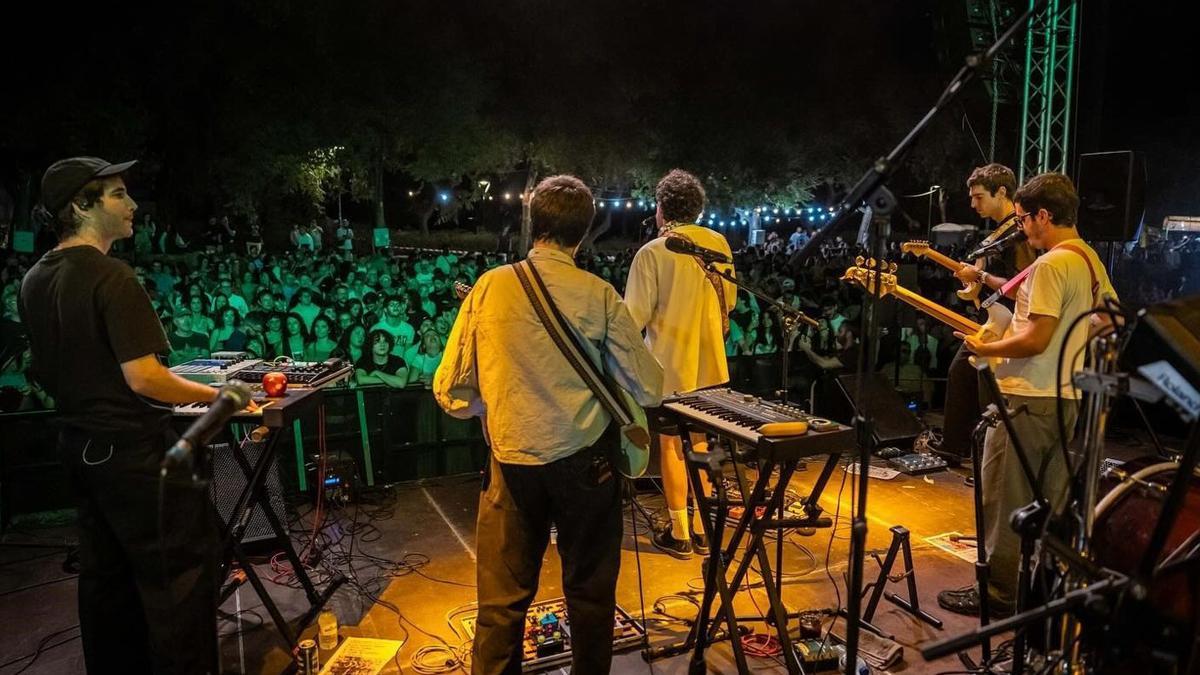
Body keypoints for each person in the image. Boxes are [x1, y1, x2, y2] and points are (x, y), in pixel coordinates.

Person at [18, 156, 252, 674]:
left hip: (78, 447)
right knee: (176, 580)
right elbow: (144, 378)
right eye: (119, 194)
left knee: (106, 580)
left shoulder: (34, 278)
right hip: (132, 453)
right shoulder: (112, 276)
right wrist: (220, 395)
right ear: (82, 205)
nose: (134, 205)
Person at [434, 175, 663, 675]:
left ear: (533, 223)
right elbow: (649, 388)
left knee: (501, 603)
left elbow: (449, 389)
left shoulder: (490, 287)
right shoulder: (599, 295)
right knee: (590, 593)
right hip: (586, 465)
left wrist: (496, 407)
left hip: (511, 463)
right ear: (583, 234)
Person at [939, 172, 1116, 617]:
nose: (1021, 228)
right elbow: (1111, 320)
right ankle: (1035, 591)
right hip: (1064, 397)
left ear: (1044, 215)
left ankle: (999, 595)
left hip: (1027, 397)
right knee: (1046, 501)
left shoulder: (1052, 264)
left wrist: (986, 348)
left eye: (1023, 220)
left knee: (1004, 498)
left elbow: (1036, 338)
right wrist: (1071, 350)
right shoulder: (1088, 258)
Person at [624, 168, 735, 559]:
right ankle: (705, 529)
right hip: (712, 367)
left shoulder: (654, 252)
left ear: (661, 208)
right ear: (698, 209)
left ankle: (680, 532)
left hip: (670, 370)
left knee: (672, 447)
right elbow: (730, 302)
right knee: (703, 445)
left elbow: (633, 317)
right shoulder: (719, 243)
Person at [935, 164, 1036, 466]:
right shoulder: (1001, 233)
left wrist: (979, 276)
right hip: (994, 319)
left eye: (978, 197)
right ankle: (957, 447)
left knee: (982, 389)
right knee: (964, 374)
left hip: (1008, 325)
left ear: (1001, 192)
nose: (972, 204)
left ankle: (982, 457)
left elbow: (1022, 286)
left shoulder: (1018, 234)